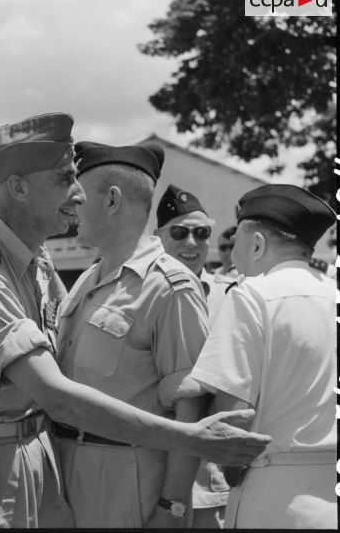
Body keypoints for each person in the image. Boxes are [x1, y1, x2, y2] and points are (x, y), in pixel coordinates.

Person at [0, 112, 271, 529]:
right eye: (65, 179)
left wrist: (173, 502)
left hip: (41, 465)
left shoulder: (37, 266)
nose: (79, 194)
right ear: (19, 187)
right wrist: (194, 440)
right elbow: (56, 395)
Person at [53, 142, 208, 528]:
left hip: (130, 485)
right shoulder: (89, 279)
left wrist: (173, 506)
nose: (72, 205)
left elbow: (191, 408)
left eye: (80, 195)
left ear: (112, 200)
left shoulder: (171, 287)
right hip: (65, 476)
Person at [189, 184, 337, 529]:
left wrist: (231, 470)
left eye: (236, 242)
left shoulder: (251, 295)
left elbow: (233, 417)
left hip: (273, 493)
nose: (231, 255)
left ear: (257, 244)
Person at [154, 184, 234, 528]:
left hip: (210, 479)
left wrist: (176, 386)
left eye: (202, 233)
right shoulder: (142, 293)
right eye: (180, 232)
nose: (192, 243)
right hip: (154, 472)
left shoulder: (233, 295)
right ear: (158, 237)